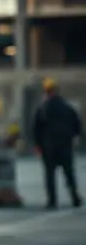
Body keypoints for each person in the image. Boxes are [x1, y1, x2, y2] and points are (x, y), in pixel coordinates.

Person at [32, 78, 82, 209]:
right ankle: (75, 197)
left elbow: (36, 129)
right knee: (69, 172)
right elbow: (78, 126)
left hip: (48, 147)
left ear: (46, 92)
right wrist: (73, 137)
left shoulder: (42, 108)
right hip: (65, 145)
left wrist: (38, 145)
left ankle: (52, 200)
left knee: (50, 175)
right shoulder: (68, 107)